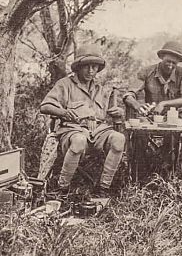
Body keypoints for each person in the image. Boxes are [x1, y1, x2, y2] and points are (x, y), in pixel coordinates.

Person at [40, 44, 125, 196]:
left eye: (95, 67)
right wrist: (63, 112)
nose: (91, 71)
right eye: (87, 66)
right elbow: (45, 106)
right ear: (78, 67)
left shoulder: (100, 89)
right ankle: (62, 188)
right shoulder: (65, 84)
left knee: (119, 139)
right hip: (73, 131)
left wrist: (118, 112)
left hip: (98, 132)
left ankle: (103, 188)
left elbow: (107, 113)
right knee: (79, 140)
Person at [123, 41, 182, 116]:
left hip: (175, 119)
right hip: (151, 117)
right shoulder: (146, 72)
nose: (170, 66)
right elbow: (128, 96)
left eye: (174, 63)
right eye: (168, 61)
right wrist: (137, 105)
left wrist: (163, 104)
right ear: (162, 57)